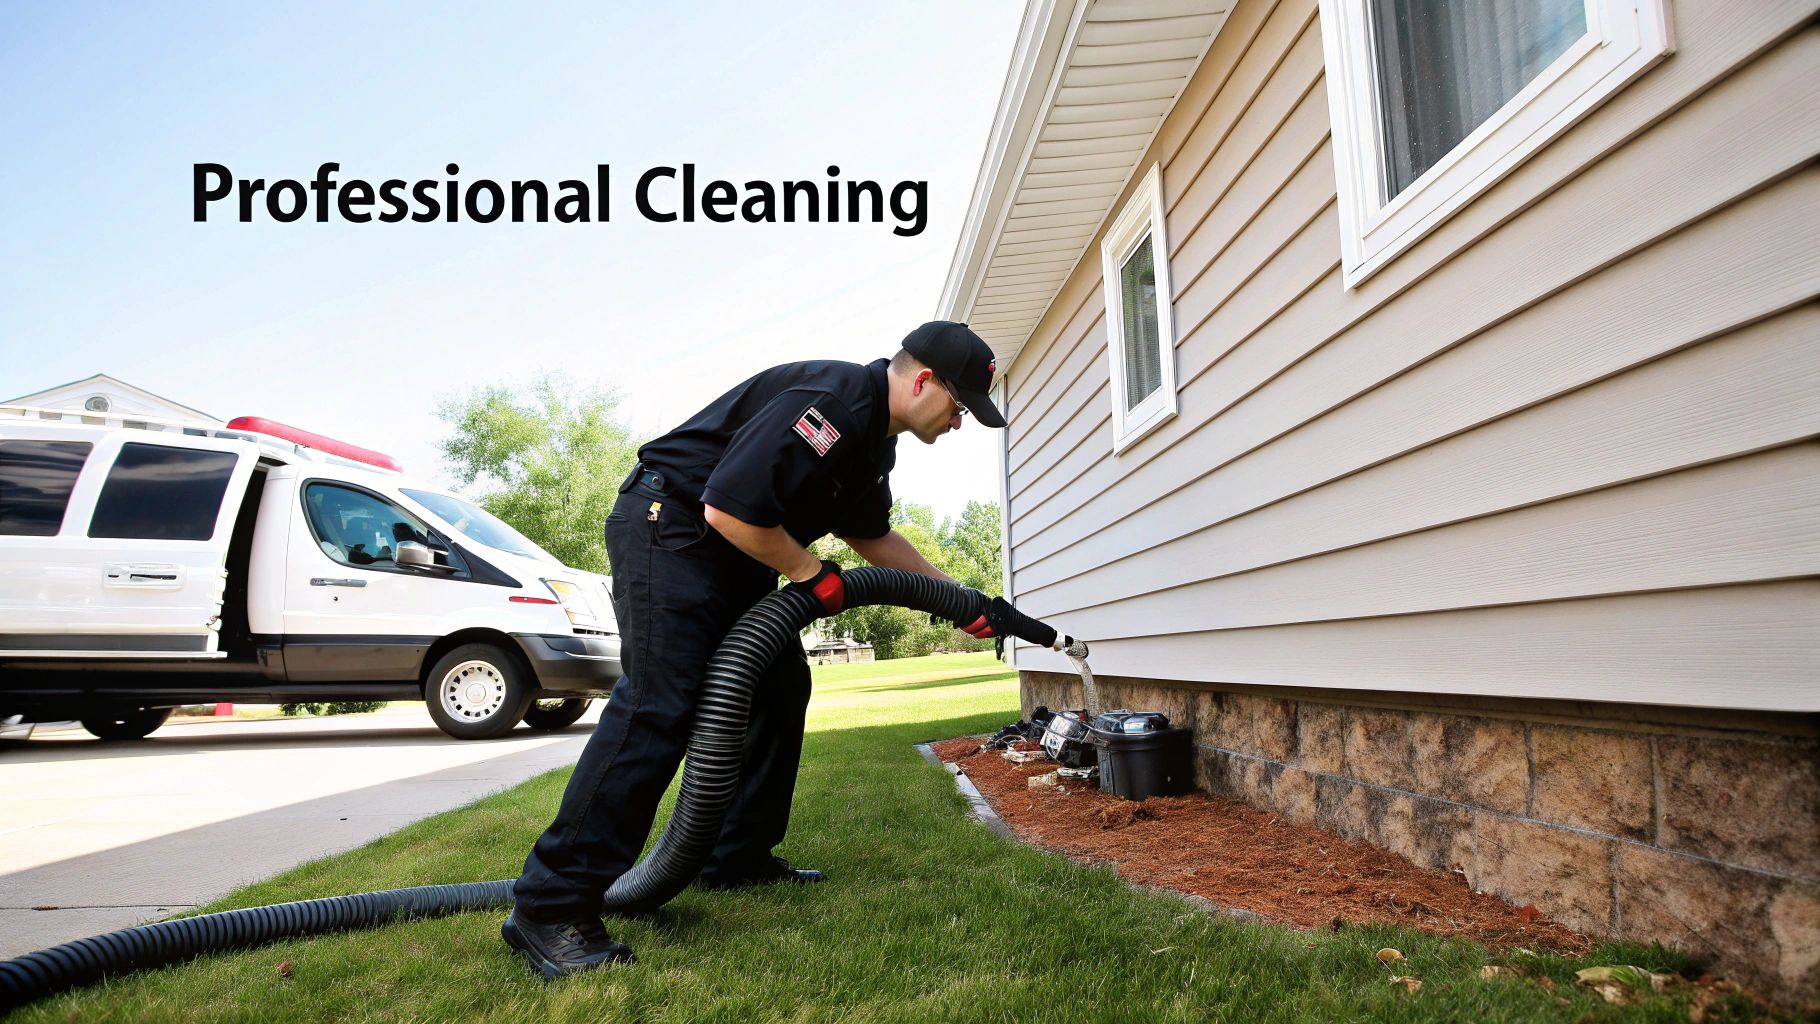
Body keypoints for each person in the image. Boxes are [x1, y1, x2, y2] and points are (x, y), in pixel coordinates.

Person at [503, 321, 1040, 979]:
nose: (959, 423)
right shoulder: (835, 401)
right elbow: (728, 509)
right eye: (959, 407)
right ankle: (550, 906)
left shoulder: (872, 441)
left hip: (730, 554)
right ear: (923, 380)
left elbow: (875, 540)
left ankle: (734, 856)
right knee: (658, 708)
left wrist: (962, 600)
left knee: (779, 688)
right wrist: (814, 576)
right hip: (669, 530)